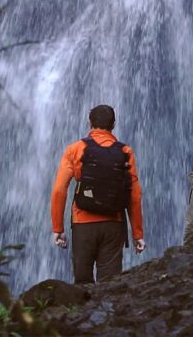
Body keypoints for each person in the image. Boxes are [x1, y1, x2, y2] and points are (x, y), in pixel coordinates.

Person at [50, 104, 145, 284]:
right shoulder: (125, 152)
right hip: (113, 224)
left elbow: (59, 190)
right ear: (114, 124)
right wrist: (137, 234)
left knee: (82, 282)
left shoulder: (75, 149)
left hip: (82, 224)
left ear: (90, 123)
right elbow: (135, 196)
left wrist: (58, 229)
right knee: (110, 284)